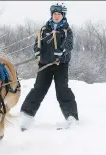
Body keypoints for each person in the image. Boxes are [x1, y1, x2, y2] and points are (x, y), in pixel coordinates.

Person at [20, 3, 79, 131]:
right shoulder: (43, 30)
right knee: (39, 89)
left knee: (62, 90)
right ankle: (26, 115)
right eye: (54, 14)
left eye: (59, 14)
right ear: (51, 15)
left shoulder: (67, 30)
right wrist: (37, 51)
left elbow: (69, 45)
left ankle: (71, 117)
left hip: (60, 65)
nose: (56, 16)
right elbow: (37, 43)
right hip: (45, 64)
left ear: (63, 16)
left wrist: (62, 51)